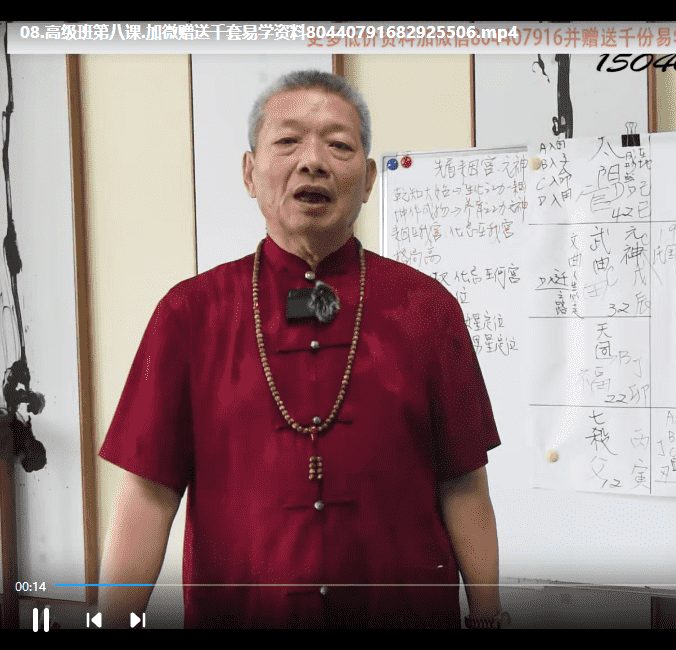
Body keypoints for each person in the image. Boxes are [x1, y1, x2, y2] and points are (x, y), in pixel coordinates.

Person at [97, 70, 504, 629]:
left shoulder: (427, 309)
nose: (312, 161)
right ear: (249, 172)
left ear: (367, 179)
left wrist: (488, 614)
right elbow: (149, 494)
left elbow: (463, 484)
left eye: (338, 145)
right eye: (287, 141)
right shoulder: (188, 314)